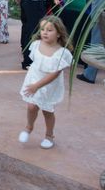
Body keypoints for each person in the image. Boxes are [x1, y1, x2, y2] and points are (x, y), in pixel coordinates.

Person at [18, 16, 73, 150]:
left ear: (59, 33)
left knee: (47, 111)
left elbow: (54, 75)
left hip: (49, 85)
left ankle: (49, 135)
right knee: (31, 107)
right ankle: (29, 126)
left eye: (49, 30)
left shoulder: (62, 53)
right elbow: (36, 64)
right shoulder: (36, 44)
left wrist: (37, 86)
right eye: (43, 29)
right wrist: (34, 85)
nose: (45, 32)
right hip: (34, 79)